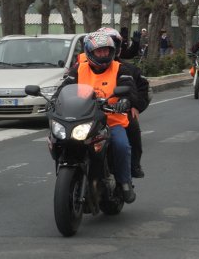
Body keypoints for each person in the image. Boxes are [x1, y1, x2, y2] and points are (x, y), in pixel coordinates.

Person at [54, 32, 139, 203]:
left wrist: (125, 101)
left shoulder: (119, 68)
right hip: (83, 119)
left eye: (106, 51)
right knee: (58, 139)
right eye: (99, 51)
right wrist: (54, 100)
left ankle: (124, 182)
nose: (103, 55)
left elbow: (129, 88)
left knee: (121, 145)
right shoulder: (79, 68)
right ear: (90, 52)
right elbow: (65, 86)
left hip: (111, 119)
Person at [99, 27, 150, 179]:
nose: (104, 51)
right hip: (89, 113)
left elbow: (141, 89)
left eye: (109, 47)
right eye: (100, 48)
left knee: (132, 126)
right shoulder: (82, 67)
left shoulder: (127, 69)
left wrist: (135, 106)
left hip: (118, 113)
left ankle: (134, 165)